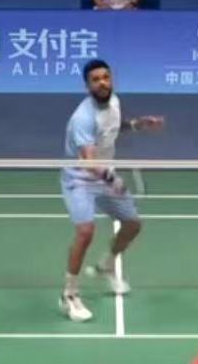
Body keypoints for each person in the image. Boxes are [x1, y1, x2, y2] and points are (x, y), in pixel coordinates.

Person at [59, 59, 163, 322]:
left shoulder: (114, 102)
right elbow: (89, 162)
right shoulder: (82, 118)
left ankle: (106, 266)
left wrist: (138, 124)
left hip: (104, 174)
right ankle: (69, 295)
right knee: (85, 231)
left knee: (132, 225)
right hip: (81, 179)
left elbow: (112, 128)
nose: (102, 83)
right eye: (96, 80)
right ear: (87, 86)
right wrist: (112, 181)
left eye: (106, 77)